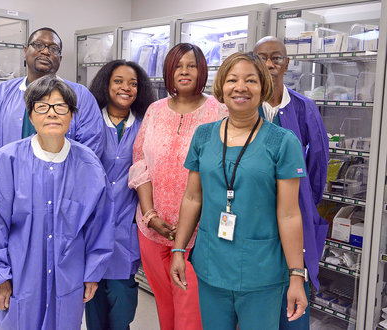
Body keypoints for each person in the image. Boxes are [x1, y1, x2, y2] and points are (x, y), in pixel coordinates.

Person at [0, 75, 114, 330]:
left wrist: (91, 274)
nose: (52, 114)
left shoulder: (88, 165)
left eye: (60, 107)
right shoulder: (8, 161)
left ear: (72, 115)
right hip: (19, 281)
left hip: (68, 280)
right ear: (31, 116)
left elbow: (99, 226)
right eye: (42, 107)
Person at [170, 52, 308, 329]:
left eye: (251, 80)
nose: (240, 87)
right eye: (232, 79)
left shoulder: (282, 142)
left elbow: (290, 214)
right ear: (222, 87)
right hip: (212, 264)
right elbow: (193, 197)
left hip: (262, 271)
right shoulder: (204, 136)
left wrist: (296, 275)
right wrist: (178, 249)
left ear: (263, 87)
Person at [128, 43, 227, 330]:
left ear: (202, 71)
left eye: (192, 65)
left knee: (190, 311)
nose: (185, 71)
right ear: (169, 72)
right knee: (165, 305)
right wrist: (150, 215)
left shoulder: (218, 112)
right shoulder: (155, 111)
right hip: (152, 229)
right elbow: (140, 164)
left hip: (197, 235)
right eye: (178, 66)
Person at [253, 36, 329, 329]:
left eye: (276, 57)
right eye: (262, 57)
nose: (270, 64)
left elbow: (318, 165)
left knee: (294, 290)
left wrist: (302, 203)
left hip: (295, 213)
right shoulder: (245, 106)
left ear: (287, 63)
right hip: (253, 216)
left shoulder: (304, 108)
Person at [0, 27, 104, 174]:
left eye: (53, 48)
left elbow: (91, 145)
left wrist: (63, 182)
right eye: (38, 45)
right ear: (25, 51)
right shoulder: (0, 93)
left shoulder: (81, 95)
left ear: (60, 59)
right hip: (9, 185)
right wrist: (4, 179)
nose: (46, 51)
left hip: (61, 187)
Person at [85, 60, 155, 330]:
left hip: (126, 226)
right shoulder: (89, 123)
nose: (126, 87)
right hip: (91, 225)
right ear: (106, 84)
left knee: (122, 297)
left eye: (133, 83)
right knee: (92, 294)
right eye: (118, 81)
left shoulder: (145, 125)